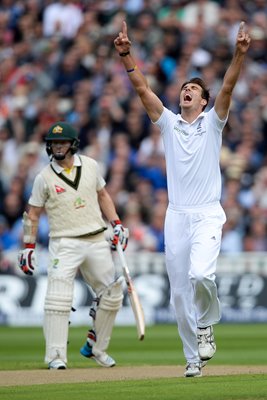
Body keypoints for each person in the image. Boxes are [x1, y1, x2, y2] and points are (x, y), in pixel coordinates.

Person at [114, 21, 251, 377]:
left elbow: (230, 85)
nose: (186, 92)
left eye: (193, 89)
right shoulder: (169, 124)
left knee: (201, 275)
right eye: (184, 89)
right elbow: (143, 90)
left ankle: (206, 326)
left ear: (203, 100)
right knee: (178, 294)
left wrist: (238, 53)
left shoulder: (213, 122)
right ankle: (193, 359)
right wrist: (128, 57)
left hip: (207, 213)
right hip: (176, 216)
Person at [18, 121, 129, 370]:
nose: (57, 146)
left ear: (73, 144)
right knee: (58, 298)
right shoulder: (43, 177)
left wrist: (117, 223)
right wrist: (28, 247)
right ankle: (56, 356)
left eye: (62, 142)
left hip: (96, 238)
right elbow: (33, 214)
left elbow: (103, 195)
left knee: (111, 295)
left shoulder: (90, 165)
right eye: (54, 143)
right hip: (64, 241)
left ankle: (96, 348)